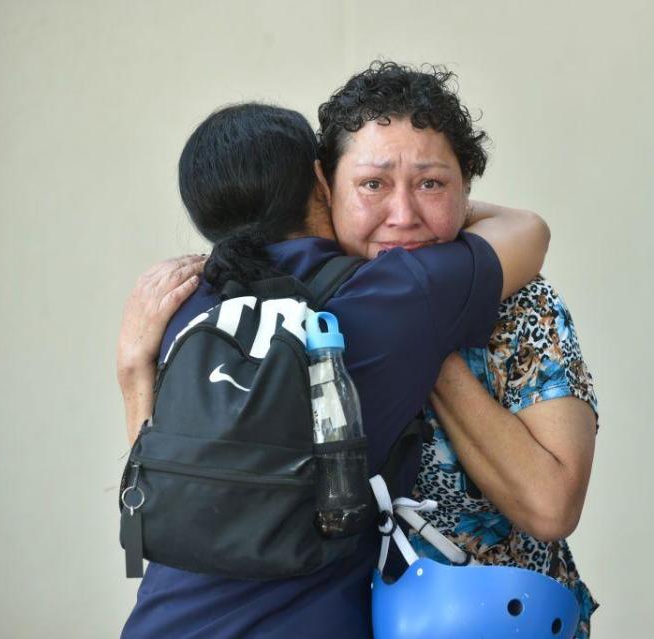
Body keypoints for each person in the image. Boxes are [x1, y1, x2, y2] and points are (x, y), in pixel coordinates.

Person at [116, 102, 549, 637]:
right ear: (321, 180)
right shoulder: (390, 294)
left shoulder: (177, 308)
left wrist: (133, 371)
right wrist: (433, 191)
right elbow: (528, 230)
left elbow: (164, 495)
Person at [314, 61, 599, 636]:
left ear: (466, 188)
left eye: (431, 183)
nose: (403, 215)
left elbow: (552, 506)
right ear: (326, 190)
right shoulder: (298, 310)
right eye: (373, 184)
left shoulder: (521, 302)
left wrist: (426, 338)